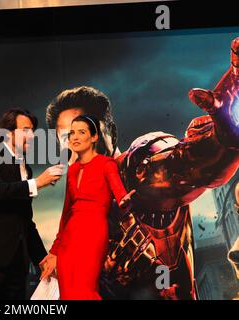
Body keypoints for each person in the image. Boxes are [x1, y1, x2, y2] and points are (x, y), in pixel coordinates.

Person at [43, 38, 239, 299]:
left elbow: (186, 166)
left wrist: (224, 132)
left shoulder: (138, 169)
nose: (77, 145)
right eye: (67, 139)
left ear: (109, 132)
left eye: (86, 131)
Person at [0, 108, 64, 300]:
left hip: (17, 265)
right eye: (26, 130)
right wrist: (37, 183)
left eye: (33, 131)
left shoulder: (24, 167)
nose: (32, 136)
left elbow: (25, 221)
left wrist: (41, 260)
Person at [40, 115, 134, 300]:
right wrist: (54, 251)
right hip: (69, 237)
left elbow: (120, 194)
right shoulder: (72, 170)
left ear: (94, 137)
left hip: (93, 233)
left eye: (81, 132)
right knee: (68, 294)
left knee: (85, 291)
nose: (74, 137)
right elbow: (66, 213)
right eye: (71, 133)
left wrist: (125, 201)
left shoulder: (107, 164)